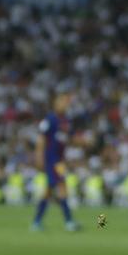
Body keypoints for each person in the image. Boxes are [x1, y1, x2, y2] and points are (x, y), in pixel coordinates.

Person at [31, 93, 79, 232]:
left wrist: (83, 141)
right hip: (52, 160)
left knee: (49, 190)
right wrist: (39, 157)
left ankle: (37, 222)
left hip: (59, 161)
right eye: (61, 102)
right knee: (61, 186)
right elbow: (41, 139)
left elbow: (69, 138)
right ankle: (68, 221)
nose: (64, 104)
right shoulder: (50, 119)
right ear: (55, 104)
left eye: (65, 102)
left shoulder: (66, 121)